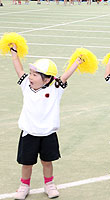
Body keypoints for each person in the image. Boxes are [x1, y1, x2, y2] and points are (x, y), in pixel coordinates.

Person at [9, 43, 83, 200]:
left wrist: (76, 63)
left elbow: (64, 76)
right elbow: (19, 69)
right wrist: (14, 54)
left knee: (47, 162)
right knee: (26, 163)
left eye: (35, 75)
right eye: (31, 73)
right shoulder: (25, 85)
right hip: (29, 133)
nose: (30, 77)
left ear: (47, 79)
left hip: (48, 134)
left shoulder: (55, 88)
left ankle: (49, 184)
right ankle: (24, 186)